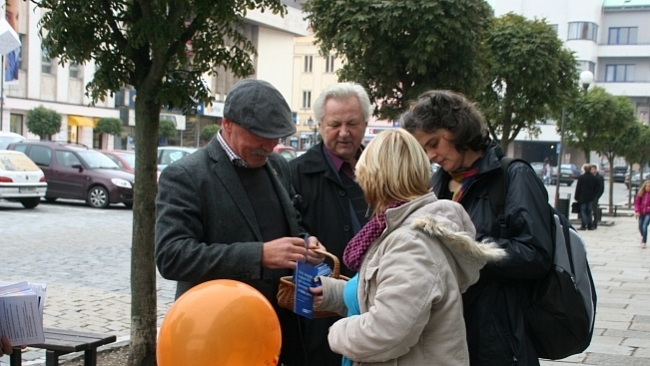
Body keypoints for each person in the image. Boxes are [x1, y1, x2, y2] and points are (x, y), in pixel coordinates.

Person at [155, 79, 325, 366]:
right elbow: (172, 256)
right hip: (219, 334)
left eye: (276, 137)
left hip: (281, 331)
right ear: (227, 123)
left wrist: (306, 241)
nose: (270, 145)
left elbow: (289, 224)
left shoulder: (277, 165)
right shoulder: (187, 175)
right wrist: (259, 255)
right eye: (260, 135)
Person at [311, 129, 506, 366]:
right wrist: (333, 292)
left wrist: (337, 333)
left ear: (375, 180)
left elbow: (388, 332)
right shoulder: (397, 229)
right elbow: (383, 294)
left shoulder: (411, 242)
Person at [400, 90, 554, 365]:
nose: (431, 154)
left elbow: (536, 255)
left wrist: (466, 245)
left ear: (457, 129)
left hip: (499, 341)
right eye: (423, 149)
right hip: (446, 339)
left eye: (434, 142)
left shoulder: (513, 175)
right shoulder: (436, 184)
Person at [289, 82, 371, 365]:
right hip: (320, 302)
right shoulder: (296, 172)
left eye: (352, 123)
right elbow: (287, 228)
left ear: (366, 123)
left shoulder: (379, 167)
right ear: (320, 124)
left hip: (374, 300)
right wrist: (305, 240)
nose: (344, 132)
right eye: (335, 124)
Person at [574, 164, 600, 230]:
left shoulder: (581, 178)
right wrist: (594, 195)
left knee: (583, 211)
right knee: (589, 211)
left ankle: (583, 225)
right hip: (590, 197)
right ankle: (590, 225)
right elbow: (597, 188)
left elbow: (578, 188)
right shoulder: (594, 178)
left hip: (582, 197)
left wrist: (576, 196)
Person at [634, 180, 650, 248]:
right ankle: (643, 236)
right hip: (641, 212)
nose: (647, 187)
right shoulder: (641, 193)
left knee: (644, 226)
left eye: (649, 186)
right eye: (646, 186)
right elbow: (637, 203)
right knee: (640, 226)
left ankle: (644, 242)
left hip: (648, 212)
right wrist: (637, 211)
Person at [590, 164, 605, 229]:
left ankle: (595, 223)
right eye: (591, 169)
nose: (592, 171)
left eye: (593, 169)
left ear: (596, 169)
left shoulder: (599, 177)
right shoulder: (590, 176)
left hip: (595, 196)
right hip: (589, 196)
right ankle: (589, 222)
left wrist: (597, 196)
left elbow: (601, 188)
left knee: (594, 210)